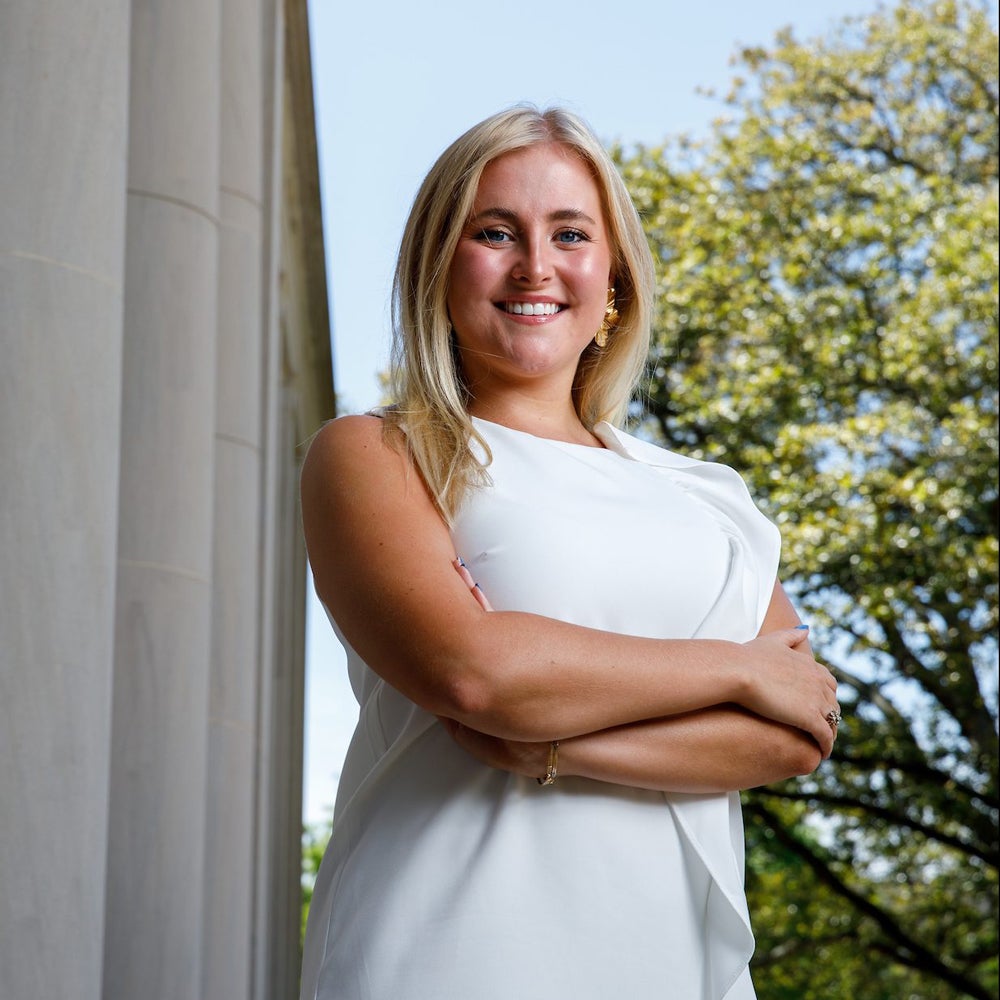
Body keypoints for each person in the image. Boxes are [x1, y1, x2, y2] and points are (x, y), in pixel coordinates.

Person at [299, 105, 840, 1000]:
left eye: (571, 234)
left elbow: (795, 731)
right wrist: (736, 671)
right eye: (495, 231)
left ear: (614, 278)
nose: (535, 266)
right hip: (445, 944)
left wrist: (555, 749)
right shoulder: (375, 454)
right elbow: (478, 675)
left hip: (665, 957)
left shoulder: (706, 496)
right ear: (440, 265)